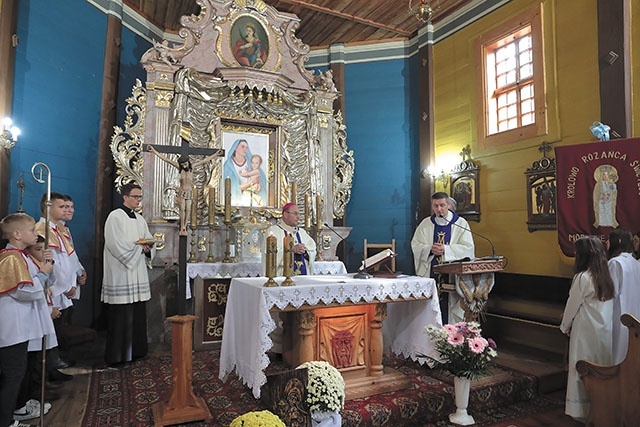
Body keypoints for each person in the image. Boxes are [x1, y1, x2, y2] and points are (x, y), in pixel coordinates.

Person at [0, 213, 54, 427]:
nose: (36, 233)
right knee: (12, 376)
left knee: (17, 373)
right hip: (13, 327)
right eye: (32, 230)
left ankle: (13, 414)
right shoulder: (10, 257)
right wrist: (42, 273)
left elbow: (39, 283)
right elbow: (24, 290)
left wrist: (47, 266)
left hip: (21, 325)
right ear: (17, 234)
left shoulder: (21, 256)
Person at [560, 236, 615, 423]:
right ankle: (602, 406)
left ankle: (582, 410)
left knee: (581, 368)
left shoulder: (583, 277)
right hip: (604, 329)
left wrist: (564, 326)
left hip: (585, 330)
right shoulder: (605, 275)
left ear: (583, 255)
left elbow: (572, 305)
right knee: (601, 366)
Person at [101, 183, 156, 366]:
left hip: (137, 271)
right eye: (135, 196)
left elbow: (147, 238)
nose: (139, 200)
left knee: (138, 314)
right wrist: (138, 249)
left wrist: (148, 249)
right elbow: (115, 244)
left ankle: (138, 351)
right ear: (125, 197)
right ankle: (118, 356)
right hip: (121, 272)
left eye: (140, 197)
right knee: (121, 316)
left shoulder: (140, 219)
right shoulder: (114, 217)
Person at [411, 192, 475, 322]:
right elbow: (415, 245)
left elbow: (468, 249)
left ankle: (451, 338)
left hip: (452, 277)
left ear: (448, 205)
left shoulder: (460, 223)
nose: (439, 209)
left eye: (442, 205)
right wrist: (429, 249)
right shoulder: (425, 224)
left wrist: (446, 250)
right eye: (435, 206)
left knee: (450, 311)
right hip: (431, 272)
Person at [35, 193, 78, 375]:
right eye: (63, 207)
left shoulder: (59, 229)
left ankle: (53, 368)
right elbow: (53, 264)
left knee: (57, 331)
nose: (68, 210)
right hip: (53, 288)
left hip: (65, 286)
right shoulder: (41, 229)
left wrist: (78, 274)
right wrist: (66, 286)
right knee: (48, 332)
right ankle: (47, 371)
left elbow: (68, 257)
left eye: (69, 207)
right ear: (48, 207)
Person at [147, 145, 221, 235]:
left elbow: (205, 160)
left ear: (188, 162)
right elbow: (166, 159)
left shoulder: (192, 168)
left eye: (185, 164)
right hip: (182, 192)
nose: (184, 165)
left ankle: (185, 226)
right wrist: (154, 151)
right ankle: (182, 226)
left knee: (188, 209)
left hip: (189, 192)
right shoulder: (180, 169)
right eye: (182, 164)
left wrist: (216, 154)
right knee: (182, 209)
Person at [607, 229, 640, 365]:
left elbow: (610, 293)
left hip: (618, 314)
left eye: (610, 240)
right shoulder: (636, 263)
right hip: (634, 314)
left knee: (617, 354)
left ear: (618, 242)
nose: (607, 243)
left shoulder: (615, 263)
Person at [265, 202, 316, 276]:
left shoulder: (302, 232)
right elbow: (269, 255)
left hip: (303, 278)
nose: (298, 217)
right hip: (281, 278)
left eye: (299, 214)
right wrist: (291, 250)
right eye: (295, 214)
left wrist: (305, 252)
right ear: (285, 214)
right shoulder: (273, 231)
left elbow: (313, 251)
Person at [223, 139, 267, 206]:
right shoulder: (228, 166)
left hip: (252, 198)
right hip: (236, 201)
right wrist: (249, 184)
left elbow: (261, 181)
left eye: (246, 147)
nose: (245, 149)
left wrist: (259, 185)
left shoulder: (252, 163)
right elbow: (229, 189)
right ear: (235, 148)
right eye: (242, 147)